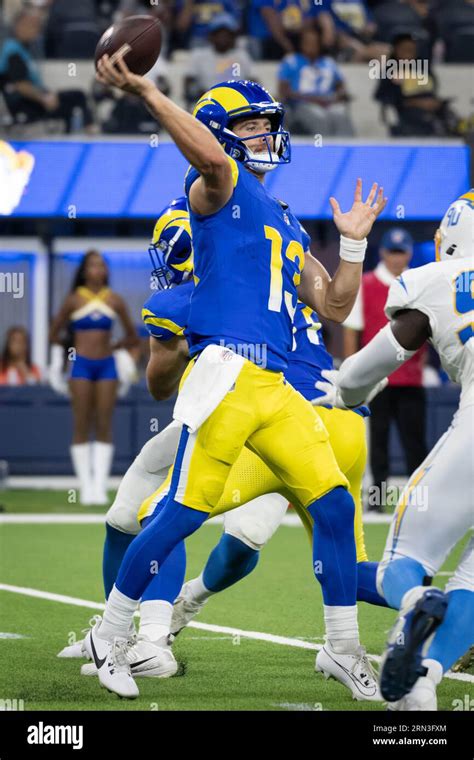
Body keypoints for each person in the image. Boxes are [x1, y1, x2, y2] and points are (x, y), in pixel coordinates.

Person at [89, 60, 387, 698]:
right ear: (217, 135)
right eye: (249, 126)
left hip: (276, 383)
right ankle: (111, 635)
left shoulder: (278, 212)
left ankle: (341, 646)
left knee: (333, 504)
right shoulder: (215, 188)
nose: (263, 136)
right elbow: (212, 162)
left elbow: (334, 305)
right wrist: (145, 88)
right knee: (179, 515)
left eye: (265, 125)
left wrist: (354, 245)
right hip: (228, 370)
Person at [333, 189, 474, 710]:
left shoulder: (437, 278)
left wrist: (345, 388)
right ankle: (424, 679)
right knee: (473, 581)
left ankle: (414, 604)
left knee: (406, 559)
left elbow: (381, 355)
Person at [343, 228, 427, 512]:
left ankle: (417, 501)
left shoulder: (419, 283)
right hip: (376, 379)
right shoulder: (367, 284)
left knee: (415, 442)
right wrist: (351, 375)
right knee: (377, 442)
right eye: (392, 251)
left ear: (409, 253)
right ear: (382, 253)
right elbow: (352, 330)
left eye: (401, 252)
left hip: (411, 379)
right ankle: (377, 501)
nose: (396, 258)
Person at [49, 249, 138, 506]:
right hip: (80, 367)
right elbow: (53, 333)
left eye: (101, 266)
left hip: (107, 366)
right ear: (84, 271)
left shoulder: (115, 300)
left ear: (107, 271)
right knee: (81, 422)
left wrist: (117, 346)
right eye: (92, 266)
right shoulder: (74, 300)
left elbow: (133, 336)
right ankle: (85, 485)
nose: (97, 270)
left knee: (103, 422)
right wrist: (65, 352)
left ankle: (99, 485)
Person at [0, 8, 95, 133]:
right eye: (32, 25)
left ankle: (77, 134)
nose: (36, 30)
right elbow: (21, 85)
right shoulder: (13, 51)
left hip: (35, 97)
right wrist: (44, 98)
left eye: (38, 26)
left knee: (77, 95)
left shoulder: (24, 49)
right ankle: (88, 132)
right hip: (26, 104)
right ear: (19, 25)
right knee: (75, 99)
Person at [374, 33, 457, 137]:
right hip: (408, 112)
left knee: (452, 119)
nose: (409, 53)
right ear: (396, 50)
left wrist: (435, 102)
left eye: (412, 50)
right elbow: (381, 95)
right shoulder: (390, 70)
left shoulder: (423, 68)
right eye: (405, 50)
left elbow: (431, 90)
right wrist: (414, 103)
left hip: (431, 108)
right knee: (430, 123)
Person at [278, 26, 353, 137]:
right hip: (302, 104)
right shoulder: (291, 61)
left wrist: (340, 94)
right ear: (301, 43)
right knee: (319, 117)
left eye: (314, 42)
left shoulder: (328, 62)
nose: (311, 45)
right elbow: (284, 91)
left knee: (340, 114)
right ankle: (324, 152)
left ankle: (346, 151)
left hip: (329, 102)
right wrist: (312, 99)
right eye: (307, 42)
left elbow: (340, 84)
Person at [184, 13, 256, 109]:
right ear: (211, 36)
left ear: (233, 38)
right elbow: (189, 81)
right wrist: (199, 94)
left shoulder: (242, 56)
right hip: (207, 104)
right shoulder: (199, 55)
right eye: (219, 34)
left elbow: (254, 81)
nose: (223, 38)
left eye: (227, 35)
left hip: (237, 104)